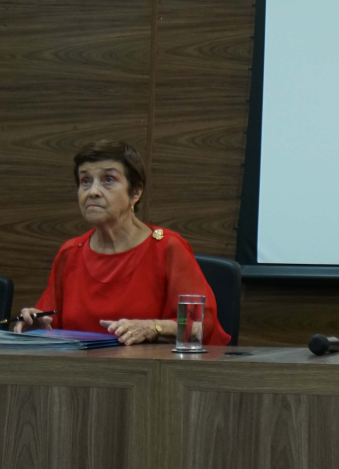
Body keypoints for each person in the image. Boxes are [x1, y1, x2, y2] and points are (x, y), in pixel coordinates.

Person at [16, 141, 230, 347]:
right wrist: (35, 326)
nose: (93, 191)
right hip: (78, 375)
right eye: (85, 181)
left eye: (108, 179)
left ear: (135, 193)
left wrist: (153, 328)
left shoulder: (167, 248)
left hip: (149, 376)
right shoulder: (70, 253)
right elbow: (50, 324)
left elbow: (200, 326)